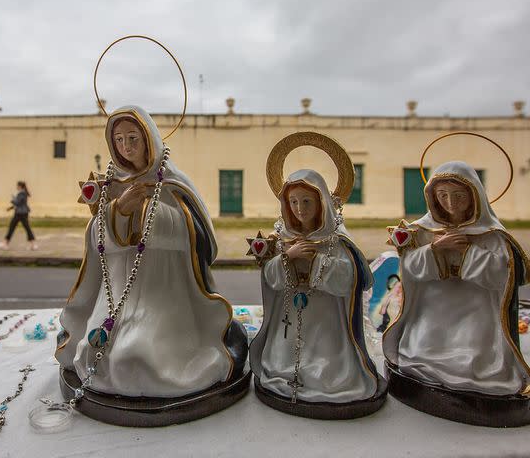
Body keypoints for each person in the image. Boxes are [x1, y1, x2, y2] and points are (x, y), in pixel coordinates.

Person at [55, 106, 246, 398]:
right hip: (116, 295)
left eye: (133, 138)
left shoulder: (170, 181)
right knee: (96, 354)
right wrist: (119, 209)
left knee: (139, 360)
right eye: (118, 140)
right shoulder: (110, 184)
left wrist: (145, 210)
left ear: (148, 139)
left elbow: (197, 236)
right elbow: (98, 239)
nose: (126, 147)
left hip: (164, 294)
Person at [384, 161, 530, 396]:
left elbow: (503, 275)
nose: (451, 203)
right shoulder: (422, 230)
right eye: (443, 195)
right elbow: (409, 268)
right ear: (432, 196)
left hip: (476, 310)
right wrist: (436, 248)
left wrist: (468, 253)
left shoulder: (491, 236)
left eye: (458, 196)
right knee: (420, 346)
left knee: (475, 359)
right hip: (433, 307)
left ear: (474, 196)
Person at [249, 169, 382, 406]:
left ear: (321, 202)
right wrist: (287, 257)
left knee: (329, 369)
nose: (300, 208)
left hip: (326, 321)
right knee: (283, 358)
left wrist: (315, 261)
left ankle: (326, 377)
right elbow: (270, 277)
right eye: (294, 202)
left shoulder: (335, 239)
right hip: (288, 318)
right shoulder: (281, 237)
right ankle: (286, 374)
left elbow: (348, 279)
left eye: (307, 201)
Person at [0, 181, 37, 251]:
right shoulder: (23, 193)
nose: (16, 187)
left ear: (20, 186)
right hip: (21, 213)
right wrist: (10, 208)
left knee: (14, 227)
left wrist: (13, 198)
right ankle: (33, 245)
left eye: (17, 186)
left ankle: (5, 243)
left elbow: (17, 202)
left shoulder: (22, 193)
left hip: (20, 214)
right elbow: (20, 203)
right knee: (25, 228)